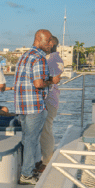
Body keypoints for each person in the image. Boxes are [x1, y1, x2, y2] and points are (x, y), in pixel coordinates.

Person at [14, 29, 55, 185]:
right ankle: (26, 175)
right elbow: (38, 83)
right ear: (40, 39)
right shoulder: (39, 58)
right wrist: (52, 81)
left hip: (22, 106)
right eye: (49, 40)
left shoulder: (24, 56)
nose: (51, 43)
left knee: (26, 139)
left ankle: (26, 169)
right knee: (31, 140)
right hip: (34, 106)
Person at [39, 36, 64, 173]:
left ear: (51, 44)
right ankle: (44, 159)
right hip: (52, 98)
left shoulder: (52, 59)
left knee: (46, 131)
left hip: (49, 98)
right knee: (46, 129)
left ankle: (46, 162)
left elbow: (52, 80)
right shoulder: (55, 58)